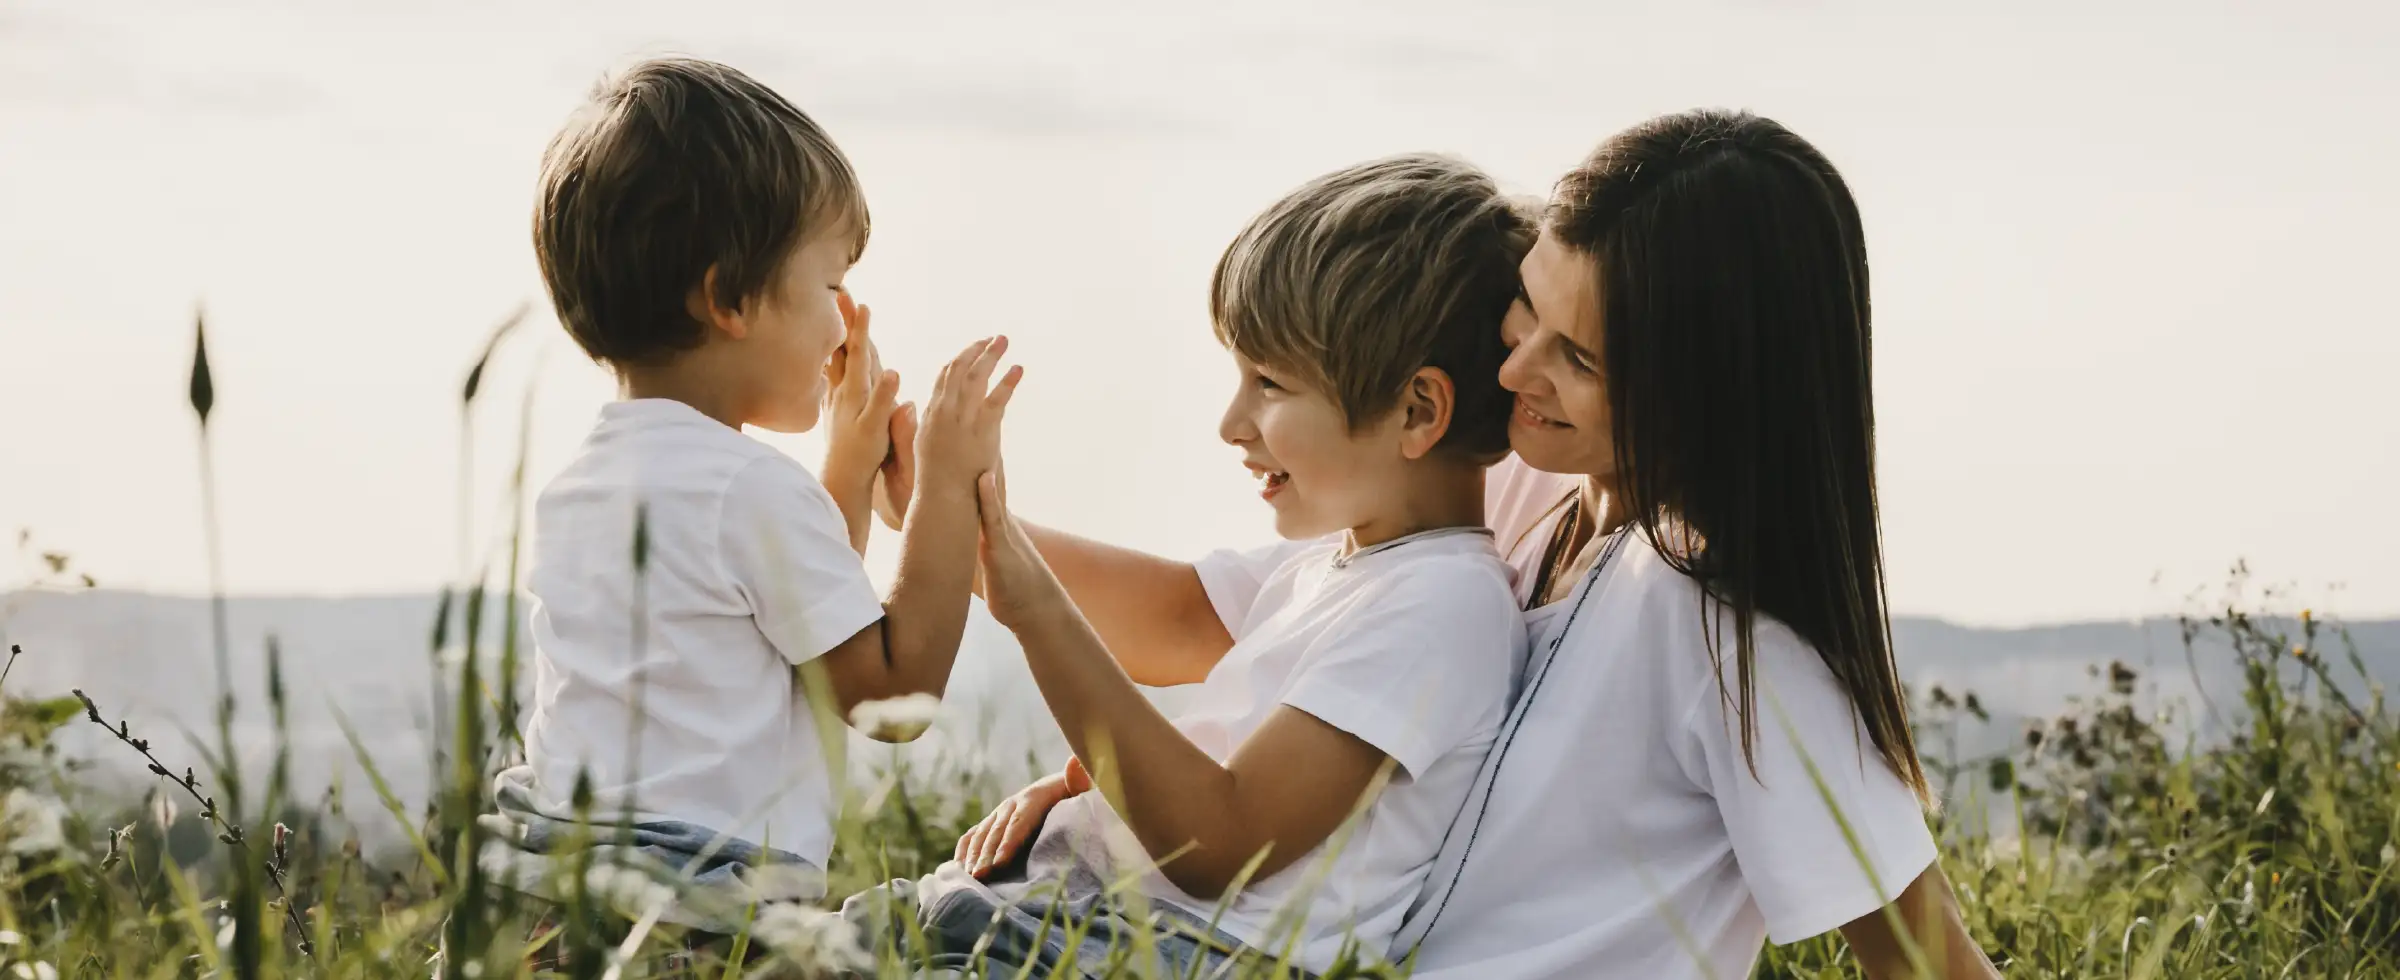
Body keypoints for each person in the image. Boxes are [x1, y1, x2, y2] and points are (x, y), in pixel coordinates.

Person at [955, 110, 2004, 979]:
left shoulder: (1742, 641)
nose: (1513, 373)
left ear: (1708, 394)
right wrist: (949, 501)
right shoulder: (1524, 492)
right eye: (1525, 314)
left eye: (1578, 358)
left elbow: (1931, 964)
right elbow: (1197, 621)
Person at [845, 154, 1535, 977]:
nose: (1231, 423)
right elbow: (1167, 615)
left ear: (1417, 411)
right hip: (1084, 915)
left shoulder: (1442, 606)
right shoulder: (1343, 563)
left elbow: (1222, 841)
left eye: (1270, 384)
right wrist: (946, 509)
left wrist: (1036, 613)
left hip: (1171, 951)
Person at [481, 56, 1020, 933]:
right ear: (728, 295)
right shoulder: (749, 490)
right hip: (696, 907)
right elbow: (890, 692)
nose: (848, 319)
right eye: (833, 284)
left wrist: (844, 474)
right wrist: (947, 490)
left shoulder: (583, 483)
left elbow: (798, 627)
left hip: (559, 884)